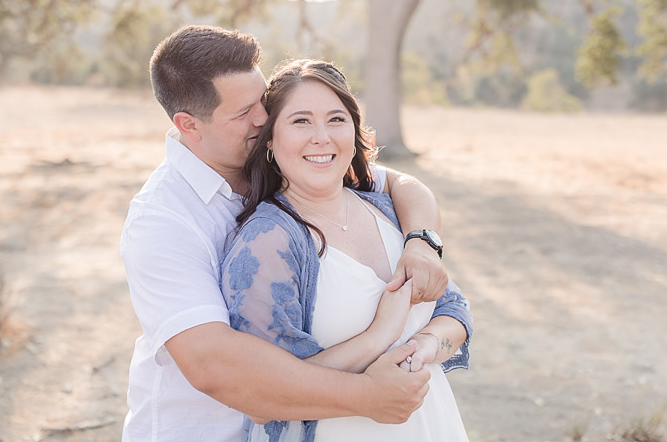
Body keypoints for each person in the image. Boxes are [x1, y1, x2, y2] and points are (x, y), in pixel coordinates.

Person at [120, 25, 458, 442]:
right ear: (189, 125)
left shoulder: (284, 161)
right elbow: (213, 365)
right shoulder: (163, 221)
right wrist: (370, 392)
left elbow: (398, 185)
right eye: (244, 113)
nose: (264, 119)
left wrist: (423, 243)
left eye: (261, 101)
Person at [221, 59, 472, 441]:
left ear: (354, 130)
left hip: (430, 424)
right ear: (270, 138)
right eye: (301, 121)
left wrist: (422, 346)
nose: (321, 137)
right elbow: (266, 391)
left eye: (336, 119)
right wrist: (379, 335)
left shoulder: (387, 209)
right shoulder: (268, 240)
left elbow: (454, 311)